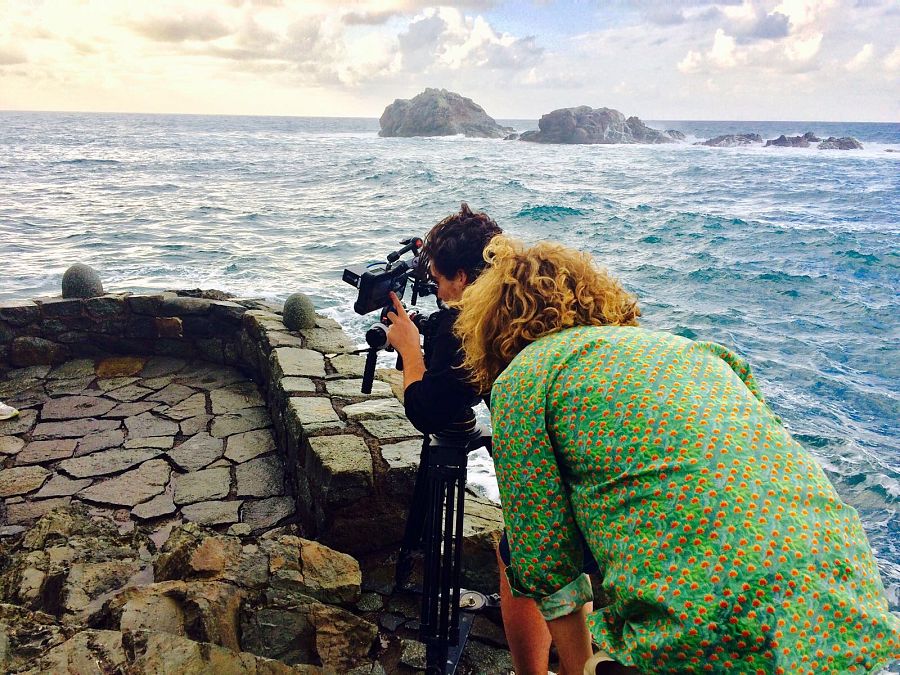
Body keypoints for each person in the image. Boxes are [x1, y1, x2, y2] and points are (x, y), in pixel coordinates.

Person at [453, 235, 900, 675]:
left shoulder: (525, 378)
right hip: (844, 592)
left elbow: (544, 562)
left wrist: (578, 666)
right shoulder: (699, 352)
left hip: (706, 621)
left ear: (491, 327)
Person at [387, 204, 584, 674]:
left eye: (439, 281)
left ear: (461, 277)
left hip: (565, 459)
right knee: (572, 567)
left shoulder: (476, 326)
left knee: (522, 563)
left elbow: (429, 410)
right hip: (599, 447)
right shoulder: (539, 300)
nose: (437, 293)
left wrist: (411, 350)